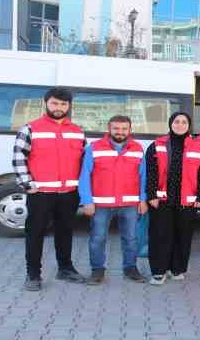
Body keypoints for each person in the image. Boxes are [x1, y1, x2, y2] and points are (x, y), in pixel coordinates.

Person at [13, 87, 87, 291]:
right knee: (35, 233)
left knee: (65, 232)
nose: (59, 107)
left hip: (69, 194)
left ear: (69, 106)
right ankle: (33, 274)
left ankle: (65, 269)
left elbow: (83, 162)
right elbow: (19, 158)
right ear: (46, 103)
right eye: (55, 103)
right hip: (41, 194)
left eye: (63, 104)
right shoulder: (30, 128)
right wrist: (28, 186)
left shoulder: (78, 131)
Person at [78, 115, 147, 285]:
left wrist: (143, 199)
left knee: (131, 238)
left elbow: (143, 176)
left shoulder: (138, 148)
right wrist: (87, 200)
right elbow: (85, 175)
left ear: (130, 130)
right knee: (98, 238)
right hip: (101, 204)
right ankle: (97, 271)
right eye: (116, 128)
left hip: (130, 203)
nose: (120, 132)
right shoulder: (93, 148)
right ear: (109, 128)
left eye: (124, 129)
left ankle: (130, 268)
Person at [145, 112, 200, 285]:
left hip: (186, 201)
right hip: (162, 200)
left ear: (189, 125)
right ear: (170, 123)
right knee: (160, 236)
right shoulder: (156, 145)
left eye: (184, 122)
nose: (180, 125)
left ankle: (177, 269)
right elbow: (150, 172)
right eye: (176, 121)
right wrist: (151, 195)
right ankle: (158, 271)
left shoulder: (199, 148)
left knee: (183, 236)